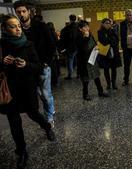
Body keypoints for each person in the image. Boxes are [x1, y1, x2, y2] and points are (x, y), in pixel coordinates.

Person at [0, 14, 56, 169]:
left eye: (18, 25)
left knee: (33, 114)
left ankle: (47, 127)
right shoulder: (1, 45)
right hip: (9, 91)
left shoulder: (28, 44)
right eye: (13, 26)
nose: (18, 29)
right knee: (14, 121)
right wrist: (2, 63)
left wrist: (26, 65)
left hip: (27, 87)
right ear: (4, 29)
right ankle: (21, 151)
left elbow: (38, 67)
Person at [14, 1, 57, 127]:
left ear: (29, 11)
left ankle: (49, 118)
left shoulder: (41, 26)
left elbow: (51, 45)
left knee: (45, 94)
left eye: (23, 11)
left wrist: (46, 63)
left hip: (42, 65)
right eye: (18, 12)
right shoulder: (17, 28)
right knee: (37, 93)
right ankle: (48, 111)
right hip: (27, 67)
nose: (21, 14)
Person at [76, 20, 109, 100]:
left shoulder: (90, 35)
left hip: (93, 59)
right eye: (85, 27)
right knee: (86, 79)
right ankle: (85, 94)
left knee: (96, 76)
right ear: (80, 29)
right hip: (84, 62)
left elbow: (94, 43)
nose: (87, 28)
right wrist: (86, 38)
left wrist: (96, 47)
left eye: (87, 26)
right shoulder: (79, 37)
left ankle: (100, 91)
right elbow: (82, 48)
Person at [97, 18, 122, 90]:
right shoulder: (100, 32)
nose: (108, 24)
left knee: (114, 68)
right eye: (106, 23)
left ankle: (114, 83)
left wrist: (110, 39)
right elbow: (104, 41)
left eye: (109, 23)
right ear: (102, 24)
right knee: (106, 69)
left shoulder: (113, 30)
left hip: (114, 52)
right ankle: (108, 84)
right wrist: (111, 40)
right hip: (105, 53)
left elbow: (117, 40)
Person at [60, 14, 79, 80]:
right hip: (78, 47)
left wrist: (63, 47)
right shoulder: (78, 27)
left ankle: (70, 75)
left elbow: (63, 38)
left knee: (70, 61)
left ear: (70, 19)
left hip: (70, 47)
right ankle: (78, 74)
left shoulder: (66, 28)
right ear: (75, 19)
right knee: (77, 61)